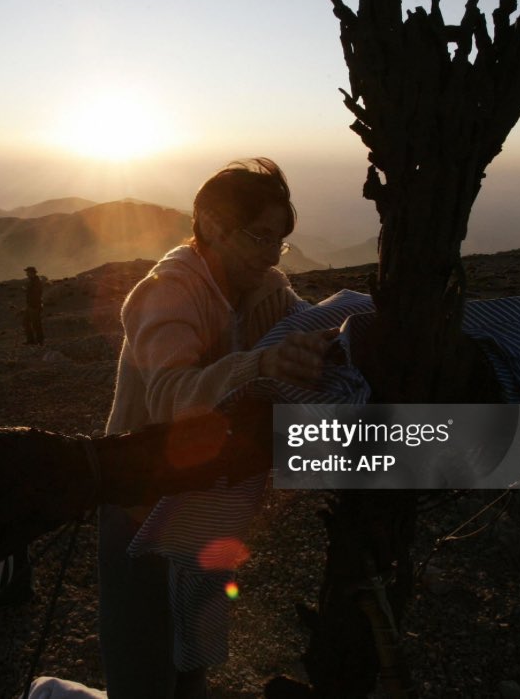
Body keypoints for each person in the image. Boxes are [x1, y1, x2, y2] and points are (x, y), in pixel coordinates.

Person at [99, 158, 335, 699]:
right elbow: (168, 398)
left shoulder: (262, 288)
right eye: (259, 236)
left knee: (191, 665)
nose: (271, 254)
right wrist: (262, 365)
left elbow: (302, 326)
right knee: (143, 669)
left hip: (203, 503)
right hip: (138, 505)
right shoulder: (167, 290)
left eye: (279, 242)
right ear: (210, 223)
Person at [24, 266, 45, 346]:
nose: (26, 274)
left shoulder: (36, 281)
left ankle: (39, 341)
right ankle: (31, 340)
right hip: (31, 305)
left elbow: (36, 293)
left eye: (28, 272)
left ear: (32, 272)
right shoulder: (32, 281)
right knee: (26, 322)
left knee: (36, 323)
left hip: (34, 305)